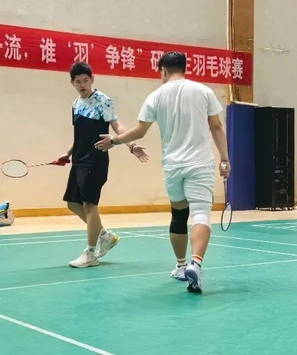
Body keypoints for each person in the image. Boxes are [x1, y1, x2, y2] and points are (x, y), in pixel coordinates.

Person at [95, 52, 229, 294]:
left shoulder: (155, 96)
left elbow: (139, 131)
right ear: (184, 68)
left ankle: (181, 266)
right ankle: (196, 263)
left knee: (178, 215)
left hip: (173, 166)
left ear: (164, 71)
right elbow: (216, 126)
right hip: (200, 164)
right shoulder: (204, 91)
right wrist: (225, 158)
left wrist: (114, 141)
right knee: (200, 214)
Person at [59, 62, 149, 268]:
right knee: (72, 203)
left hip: (96, 158)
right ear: (72, 83)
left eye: (86, 80)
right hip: (78, 159)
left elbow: (116, 126)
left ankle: (91, 253)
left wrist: (131, 145)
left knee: (90, 205)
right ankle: (105, 236)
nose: (82, 85)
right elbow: (80, 135)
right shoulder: (76, 104)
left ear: (92, 79)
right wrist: (68, 153)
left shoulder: (103, 100)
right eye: (78, 81)